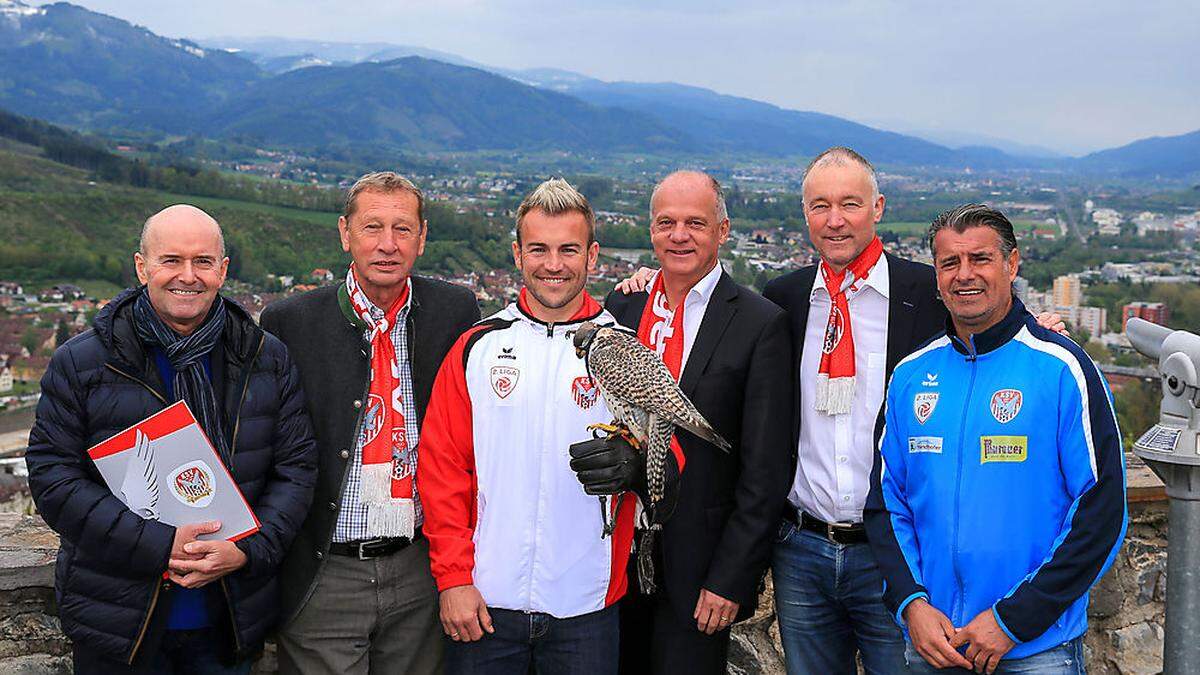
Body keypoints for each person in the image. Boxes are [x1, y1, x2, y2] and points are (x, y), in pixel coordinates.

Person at [25, 204, 317, 674]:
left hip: (229, 617)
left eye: (203, 261)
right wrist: (158, 543)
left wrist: (248, 549)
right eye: (171, 260)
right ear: (142, 267)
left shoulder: (264, 358)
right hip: (118, 621)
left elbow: (296, 469)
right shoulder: (83, 363)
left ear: (223, 271)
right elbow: (53, 478)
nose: (188, 275)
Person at [864, 203, 1127, 674]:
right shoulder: (910, 376)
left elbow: (1103, 509)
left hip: (1033, 649)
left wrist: (1013, 620)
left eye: (980, 259)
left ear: (1012, 263)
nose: (965, 275)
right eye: (950, 262)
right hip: (934, 645)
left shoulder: (1062, 369)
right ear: (937, 275)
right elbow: (886, 504)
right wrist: (911, 605)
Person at [420, 178, 648, 674]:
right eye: (539, 249)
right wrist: (454, 579)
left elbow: (671, 463)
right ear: (518, 254)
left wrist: (640, 464)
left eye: (569, 250)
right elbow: (442, 471)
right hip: (484, 601)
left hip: (586, 603)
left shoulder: (625, 348)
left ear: (592, 256)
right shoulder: (476, 348)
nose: (553, 264)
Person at [263, 172, 480, 674]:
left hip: (420, 571)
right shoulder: (290, 323)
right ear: (344, 234)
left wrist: (638, 289)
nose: (387, 244)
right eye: (372, 227)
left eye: (403, 229)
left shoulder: (455, 311)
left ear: (423, 238)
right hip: (325, 572)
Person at [602, 170, 794, 674]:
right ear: (650, 231)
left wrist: (731, 578)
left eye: (695, 222)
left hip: (699, 568)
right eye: (666, 222)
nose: (679, 235)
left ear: (723, 230)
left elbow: (766, 469)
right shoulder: (623, 305)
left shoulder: (759, 323)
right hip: (616, 558)